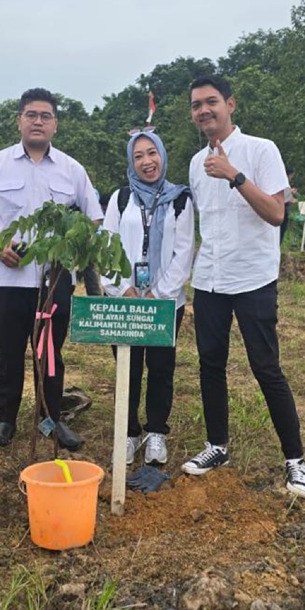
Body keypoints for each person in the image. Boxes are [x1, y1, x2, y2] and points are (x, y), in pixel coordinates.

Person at [181, 74, 305, 498]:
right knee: (210, 364)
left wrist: (234, 175)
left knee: (266, 367)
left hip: (253, 278)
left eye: (211, 102)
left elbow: (276, 213)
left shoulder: (260, 150)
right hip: (210, 279)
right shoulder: (195, 164)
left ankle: (296, 461)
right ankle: (216, 445)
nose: (204, 110)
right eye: (197, 105)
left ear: (230, 104)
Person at [0, 88, 104, 451]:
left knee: (51, 354)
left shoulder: (72, 169)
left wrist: (67, 247)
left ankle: (51, 419)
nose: (38, 121)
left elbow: (94, 216)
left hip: (53, 280)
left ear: (55, 124)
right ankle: (6, 420)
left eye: (45, 116)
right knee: (7, 353)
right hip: (3, 280)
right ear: (19, 121)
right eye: (31, 114)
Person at [100, 130, 195, 467]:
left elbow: (183, 253)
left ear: (163, 156)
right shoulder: (120, 198)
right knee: (127, 367)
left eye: (151, 153)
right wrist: (123, 289)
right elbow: (106, 246)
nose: (146, 162)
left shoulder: (181, 199)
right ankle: (128, 433)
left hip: (166, 302)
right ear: (131, 161)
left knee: (160, 367)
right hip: (124, 300)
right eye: (138, 156)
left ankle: (156, 432)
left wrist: (157, 295)